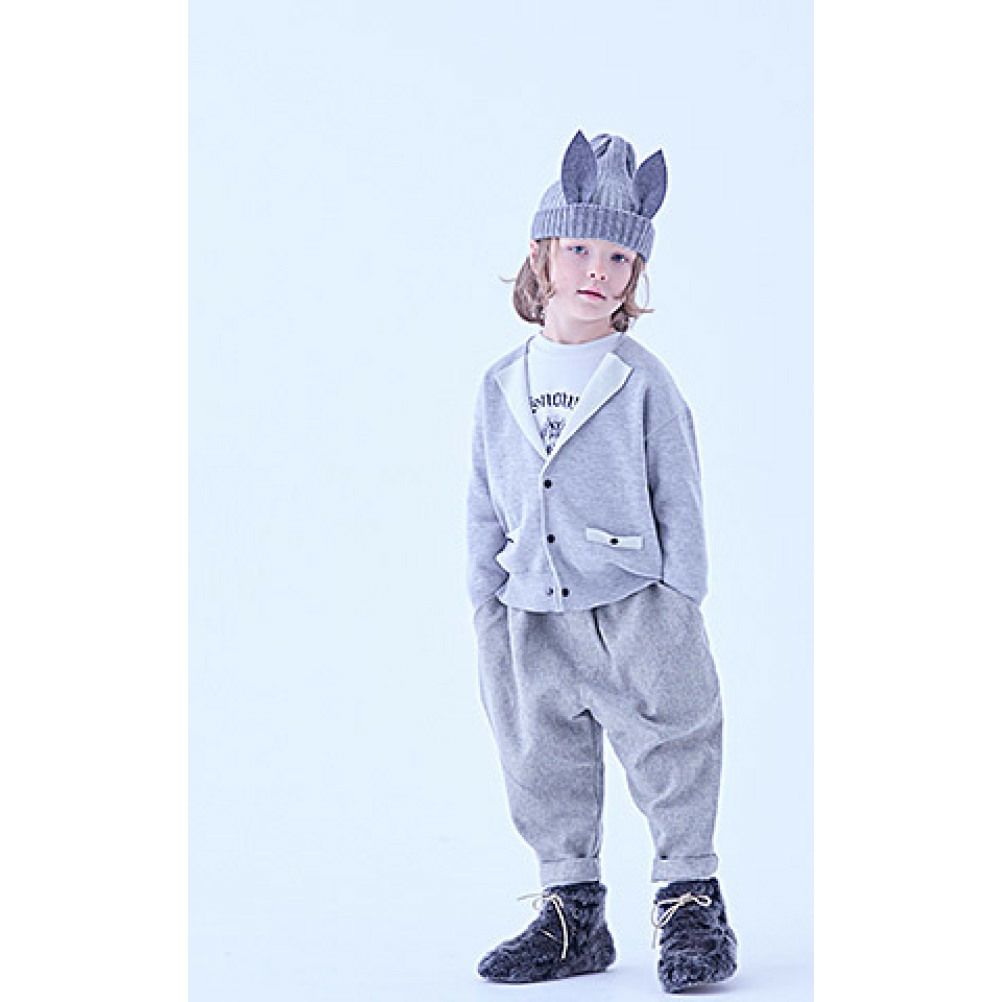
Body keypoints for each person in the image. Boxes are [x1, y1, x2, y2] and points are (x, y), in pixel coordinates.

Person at [465, 130, 739, 994]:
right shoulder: (500, 382)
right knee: (540, 758)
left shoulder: (641, 380)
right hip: (529, 609)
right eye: (580, 249)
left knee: (672, 743)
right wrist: (486, 597)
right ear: (541, 255)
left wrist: (678, 596)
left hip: (635, 604)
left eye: (620, 257)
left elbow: (679, 492)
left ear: (635, 275)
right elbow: (484, 498)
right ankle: (570, 913)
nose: (599, 270)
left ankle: (690, 901)